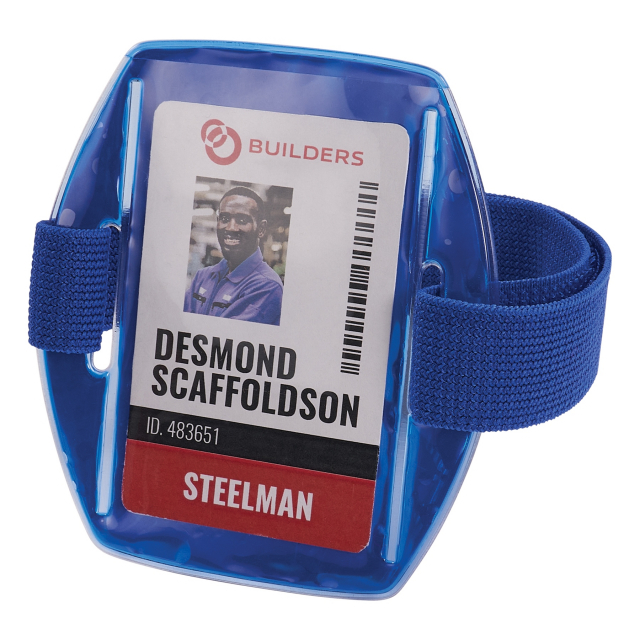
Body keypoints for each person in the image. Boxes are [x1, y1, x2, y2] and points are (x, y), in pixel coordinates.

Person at [184, 187, 283, 325]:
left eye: (242, 220)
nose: (230, 227)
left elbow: (224, 336)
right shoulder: (203, 277)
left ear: (261, 229)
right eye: (224, 219)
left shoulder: (267, 286)